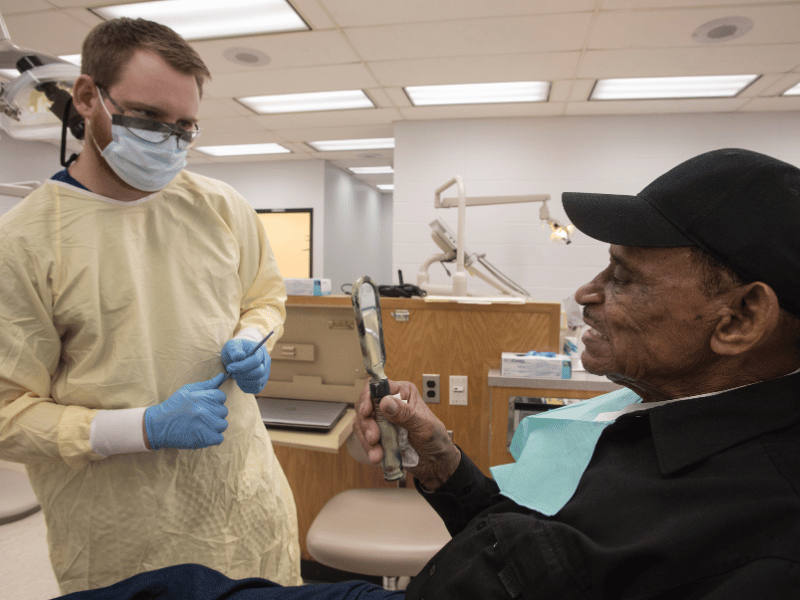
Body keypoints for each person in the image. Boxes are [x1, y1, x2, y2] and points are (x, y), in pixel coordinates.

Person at [52, 147, 800, 599]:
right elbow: (543, 567)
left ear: (739, 319)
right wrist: (445, 465)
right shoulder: (673, 432)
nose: (587, 295)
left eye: (625, 276)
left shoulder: (752, 547)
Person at [0, 17, 301, 595]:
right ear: (87, 97)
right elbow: (8, 413)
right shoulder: (26, 242)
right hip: (124, 538)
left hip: (246, 508)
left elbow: (265, 297)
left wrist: (257, 336)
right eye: (149, 119)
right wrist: (139, 428)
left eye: (185, 126)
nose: (169, 140)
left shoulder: (219, 206)